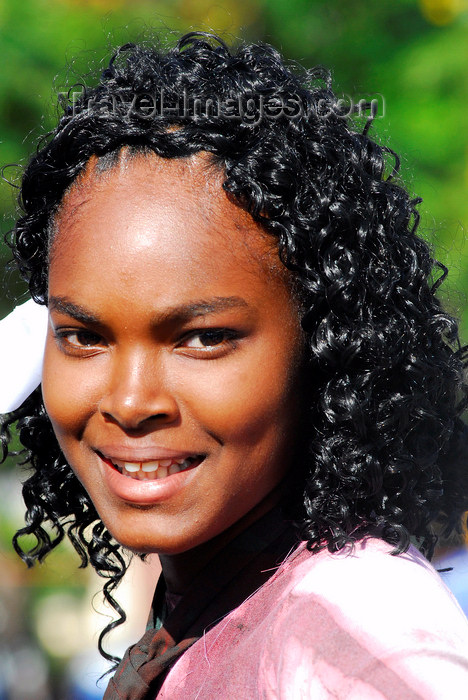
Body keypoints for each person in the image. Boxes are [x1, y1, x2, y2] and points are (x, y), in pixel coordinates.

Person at [2, 30, 468, 699]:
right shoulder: (202, 608)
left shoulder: (352, 636)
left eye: (202, 338)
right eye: (84, 336)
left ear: (325, 345)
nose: (131, 402)